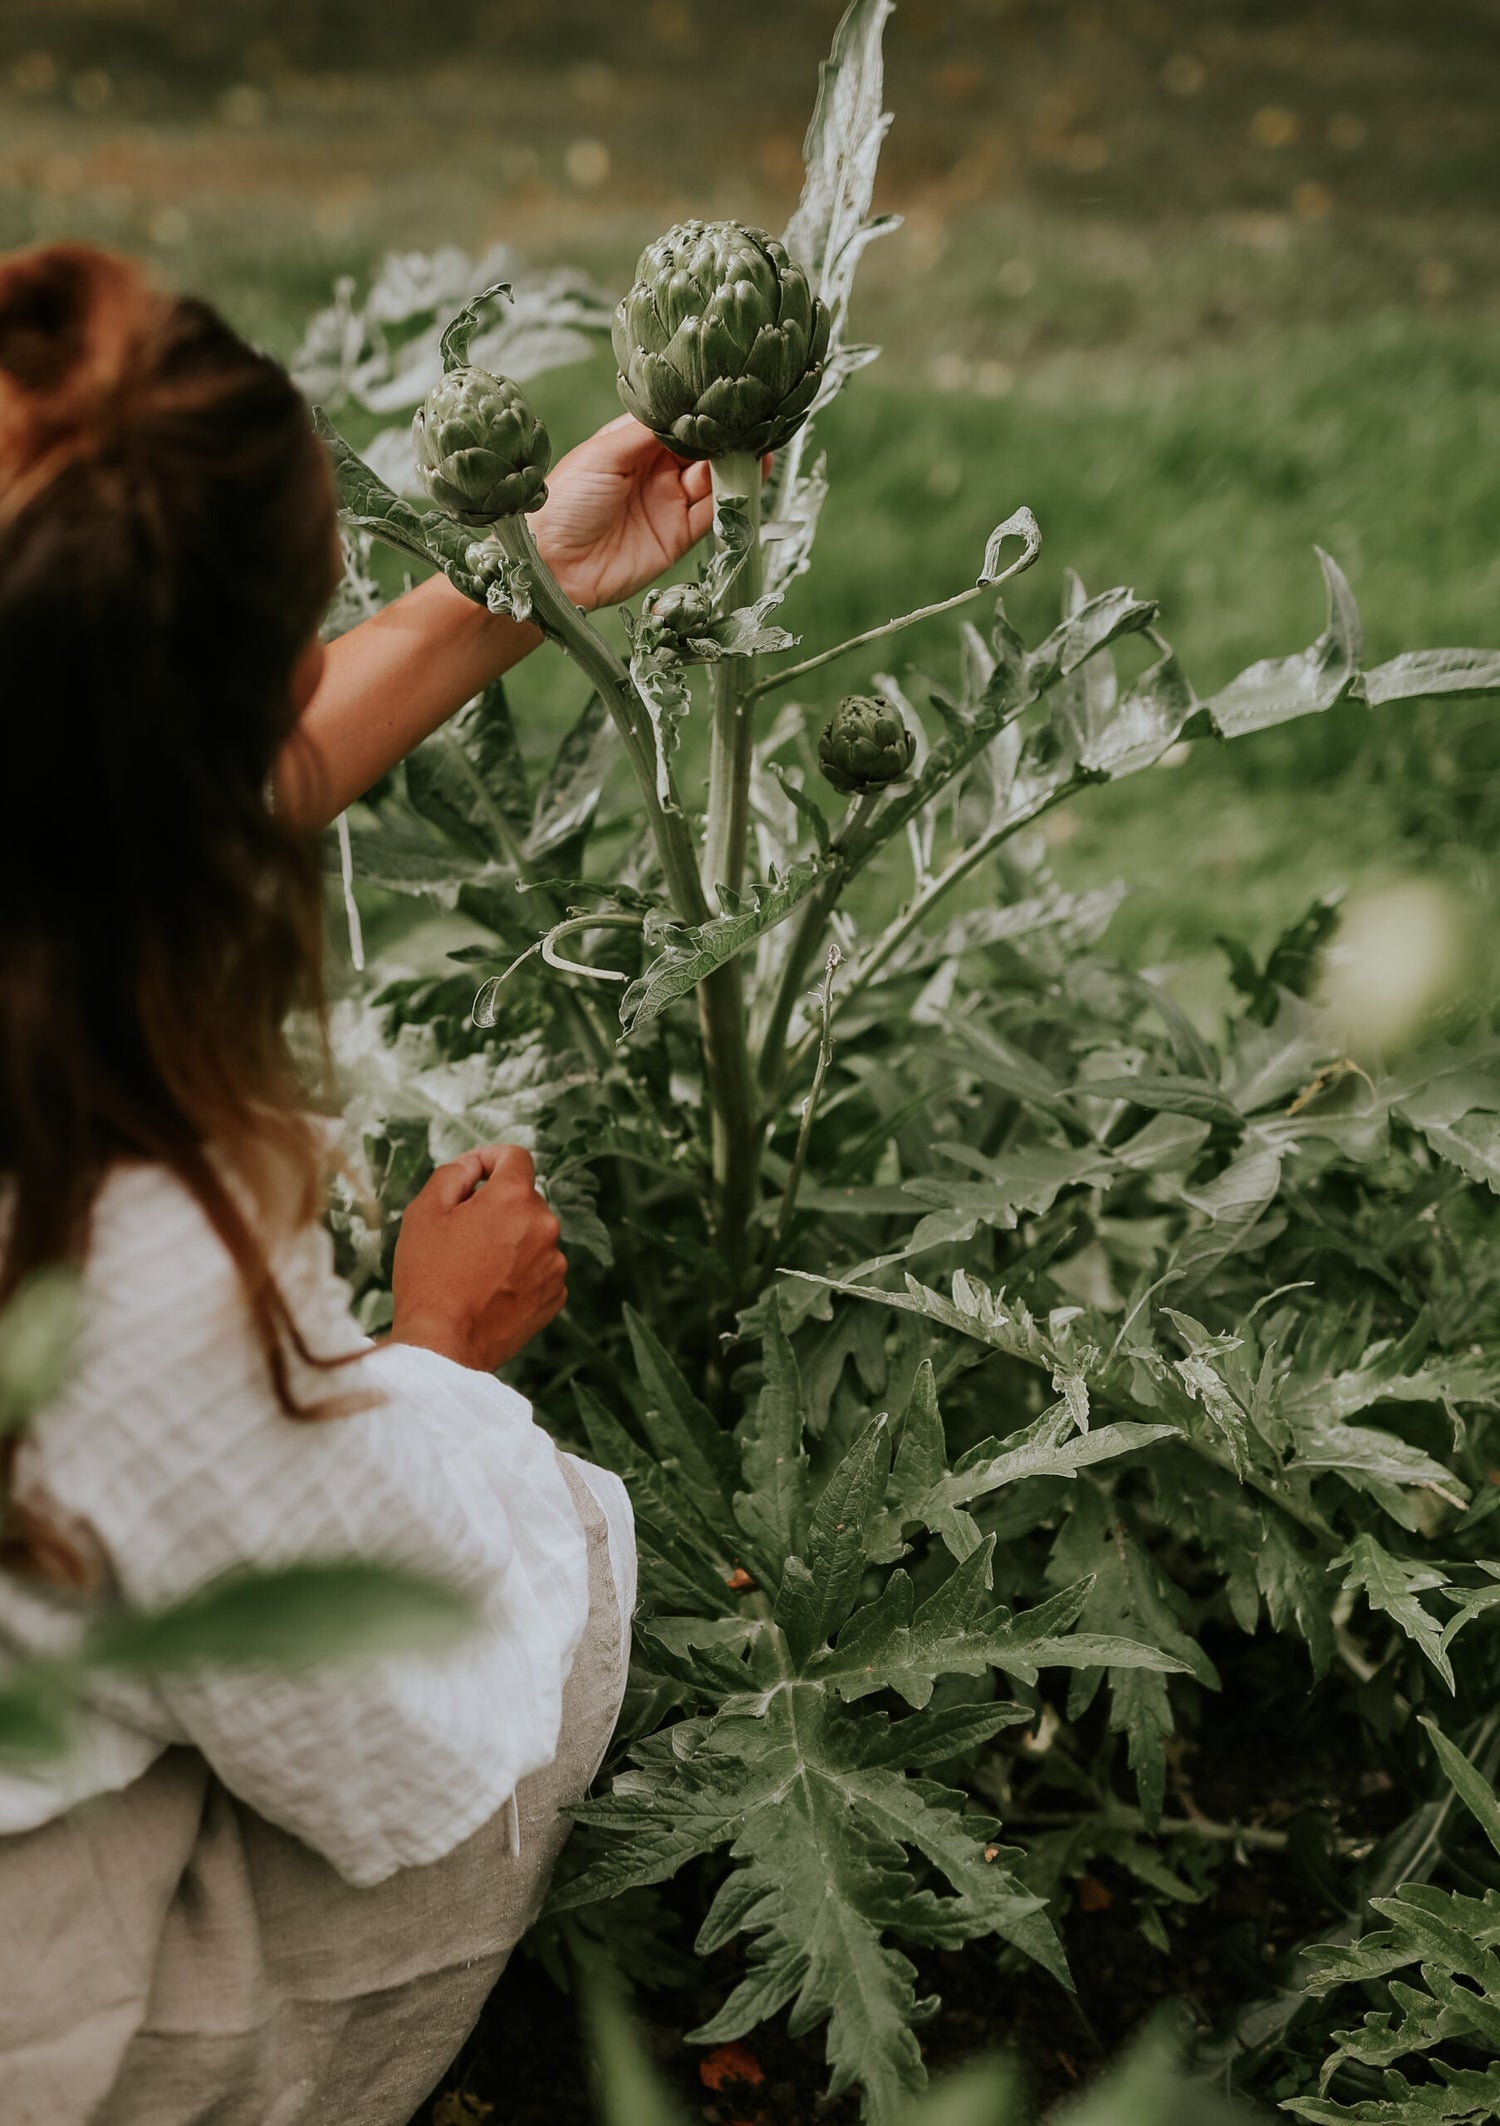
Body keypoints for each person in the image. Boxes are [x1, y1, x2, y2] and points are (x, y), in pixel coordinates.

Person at [0, 242, 719, 2126]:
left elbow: (117, 792)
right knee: (517, 1582)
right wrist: (435, 1356)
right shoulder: (113, 1264)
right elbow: (375, 1725)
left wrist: (527, 580)